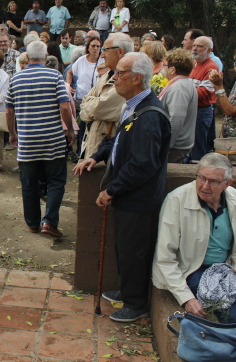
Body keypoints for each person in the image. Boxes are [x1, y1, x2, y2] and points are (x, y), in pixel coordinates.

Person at [74, 52, 171, 322]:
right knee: (124, 247)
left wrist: (111, 189)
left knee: (134, 249)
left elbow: (142, 164)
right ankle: (126, 291)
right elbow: (116, 142)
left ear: (137, 78)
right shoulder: (133, 106)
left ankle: (136, 302)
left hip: (138, 199)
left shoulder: (149, 114)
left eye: (120, 73)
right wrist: (97, 156)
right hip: (129, 196)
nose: (114, 78)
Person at [153, 153, 236, 323]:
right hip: (192, 270)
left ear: (227, 183)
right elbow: (165, 258)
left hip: (225, 270)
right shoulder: (177, 200)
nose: (205, 186)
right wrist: (186, 298)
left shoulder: (234, 198)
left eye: (213, 181)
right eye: (201, 178)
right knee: (235, 318)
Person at [7, 41, 75, 237]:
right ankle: (49, 221)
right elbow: (64, 107)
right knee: (56, 181)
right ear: (46, 57)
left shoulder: (16, 79)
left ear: (27, 58)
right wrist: (70, 130)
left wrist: (12, 133)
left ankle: (32, 223)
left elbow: (9, 110)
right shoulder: (54, 75)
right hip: (52, 139)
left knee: (29, 183)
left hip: (27, 141)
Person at [78, 33, 132, 160]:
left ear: (120, 52)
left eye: (105, 50)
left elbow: (98, 109)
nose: (102, 55)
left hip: (106, 151)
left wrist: (91, 106)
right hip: (93, 146)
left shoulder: (127, 80)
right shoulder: (108, 74)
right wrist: (91, 106)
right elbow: (84, 104)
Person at [160, 49, 197, 163]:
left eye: (165, 65)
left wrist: (168, 145)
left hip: (175, 146)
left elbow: (176, 118)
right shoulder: (184, 84)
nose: (164, 69)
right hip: (177, 144)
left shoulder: (179, 87)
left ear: (173, 69)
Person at [210, 46, 236, 141]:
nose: (234, 67)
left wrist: (220, 87)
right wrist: (217, 87)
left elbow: (230, 110)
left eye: (235, 64)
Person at [189, 36, 220, 161]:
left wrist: (184, 92)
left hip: (201, 111)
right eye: (194, 45)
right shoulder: (195, 64)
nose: (195, 48)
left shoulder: (211, 68)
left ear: (209, 50)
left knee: (199, 147)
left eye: (200, 46)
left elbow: (204, 93)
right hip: (193, 110)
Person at [68, 37, 102, 105]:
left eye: (98, 46)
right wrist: (68, 85)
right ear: (88, 47)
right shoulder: (81, 60)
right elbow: (70, 72)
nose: (95, 48)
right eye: (93, 46)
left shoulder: (104, 61)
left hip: (96, 98)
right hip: (81, 98)